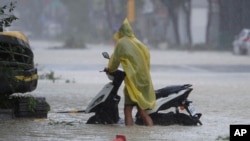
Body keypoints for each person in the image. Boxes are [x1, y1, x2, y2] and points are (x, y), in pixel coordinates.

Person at [105, 18, 156, 126]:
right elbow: (147, 59)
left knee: (127, 110)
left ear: (121, 31)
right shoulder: (138, 43)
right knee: (143, 112)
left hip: (133, 82)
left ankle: (129, 134)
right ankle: (151, 133)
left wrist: (109, 69)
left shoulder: (122, 43)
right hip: (145, 80)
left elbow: (114, 60)